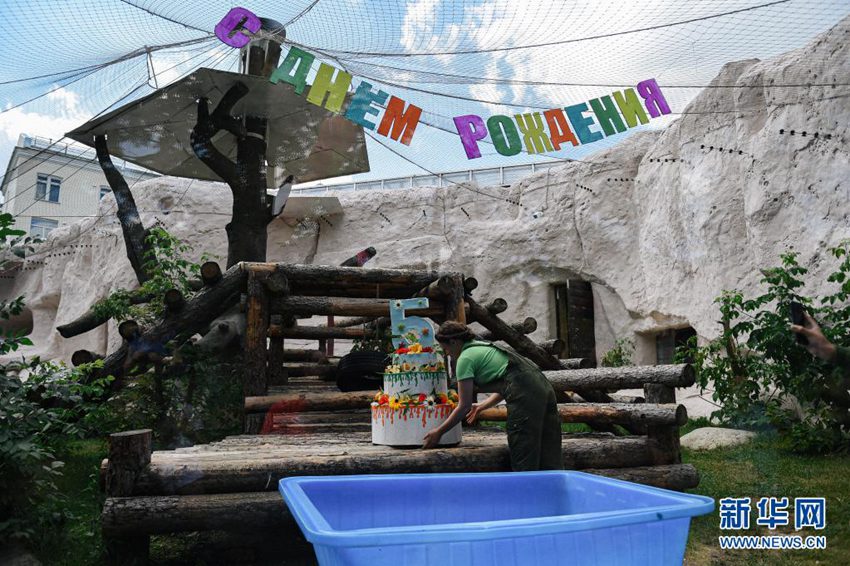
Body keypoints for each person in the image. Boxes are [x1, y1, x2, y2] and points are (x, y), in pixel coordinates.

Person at [422, 321, 563, 471]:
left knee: (524, 446)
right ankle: (551, 488)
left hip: (526, 393)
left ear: (454, 341)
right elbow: (509, 383)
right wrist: (483, 406)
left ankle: (525, 488)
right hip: (543, 387)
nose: (447, 354)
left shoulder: (465, 359)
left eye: (446, 349)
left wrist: (439, 432)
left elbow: (464, 406)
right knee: (549, 447)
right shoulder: (483, 347)